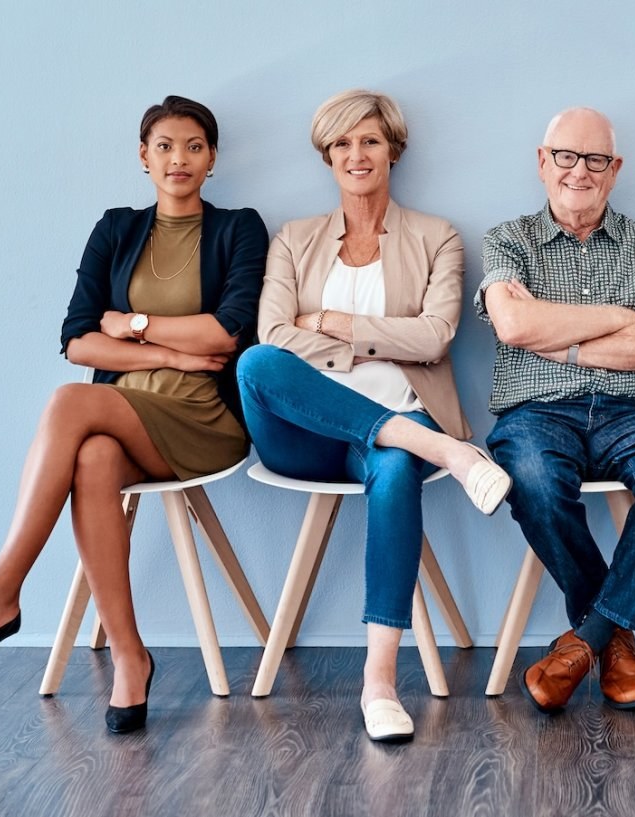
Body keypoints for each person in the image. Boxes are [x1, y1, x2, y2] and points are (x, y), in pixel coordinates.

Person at [0, 96, 268, 734]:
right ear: (143, 156)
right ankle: (131, 659)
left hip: (202, 420)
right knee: (94, 454)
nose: (178, 159)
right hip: (129, 412)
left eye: (192, 146)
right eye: (163, 146)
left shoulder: (238, 228)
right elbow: (78, 339)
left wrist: (129, 326)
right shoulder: (117, 229)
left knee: (68, 399)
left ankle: (1, 591)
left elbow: (226, 331)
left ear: (212, 158)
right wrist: (165, 349)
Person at [235, 89, 509, 743]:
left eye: (369, 141)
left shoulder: (436, 236)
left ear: (393, 150)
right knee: (255, 364)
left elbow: (435, 336)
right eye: (342, 144)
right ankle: (449, 451)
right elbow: (273, 337)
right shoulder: (294, 240)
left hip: (399, 415)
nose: (357, 155)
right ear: (327, 157)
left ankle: (379, 682)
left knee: (393, 468)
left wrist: (327, 322)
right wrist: (381, 332)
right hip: (300, 434)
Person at [476, 107, 635, 714]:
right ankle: (616, 640)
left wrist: (562, 337)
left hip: (630, 413)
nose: (580, 171)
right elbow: (514, 323)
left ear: (615, 169)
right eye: (566, 157)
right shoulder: (507, 240)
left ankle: (586, 640)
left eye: (596, 159)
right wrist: (619, 318)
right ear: (542, 161)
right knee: (527, 476)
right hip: (535, 414)